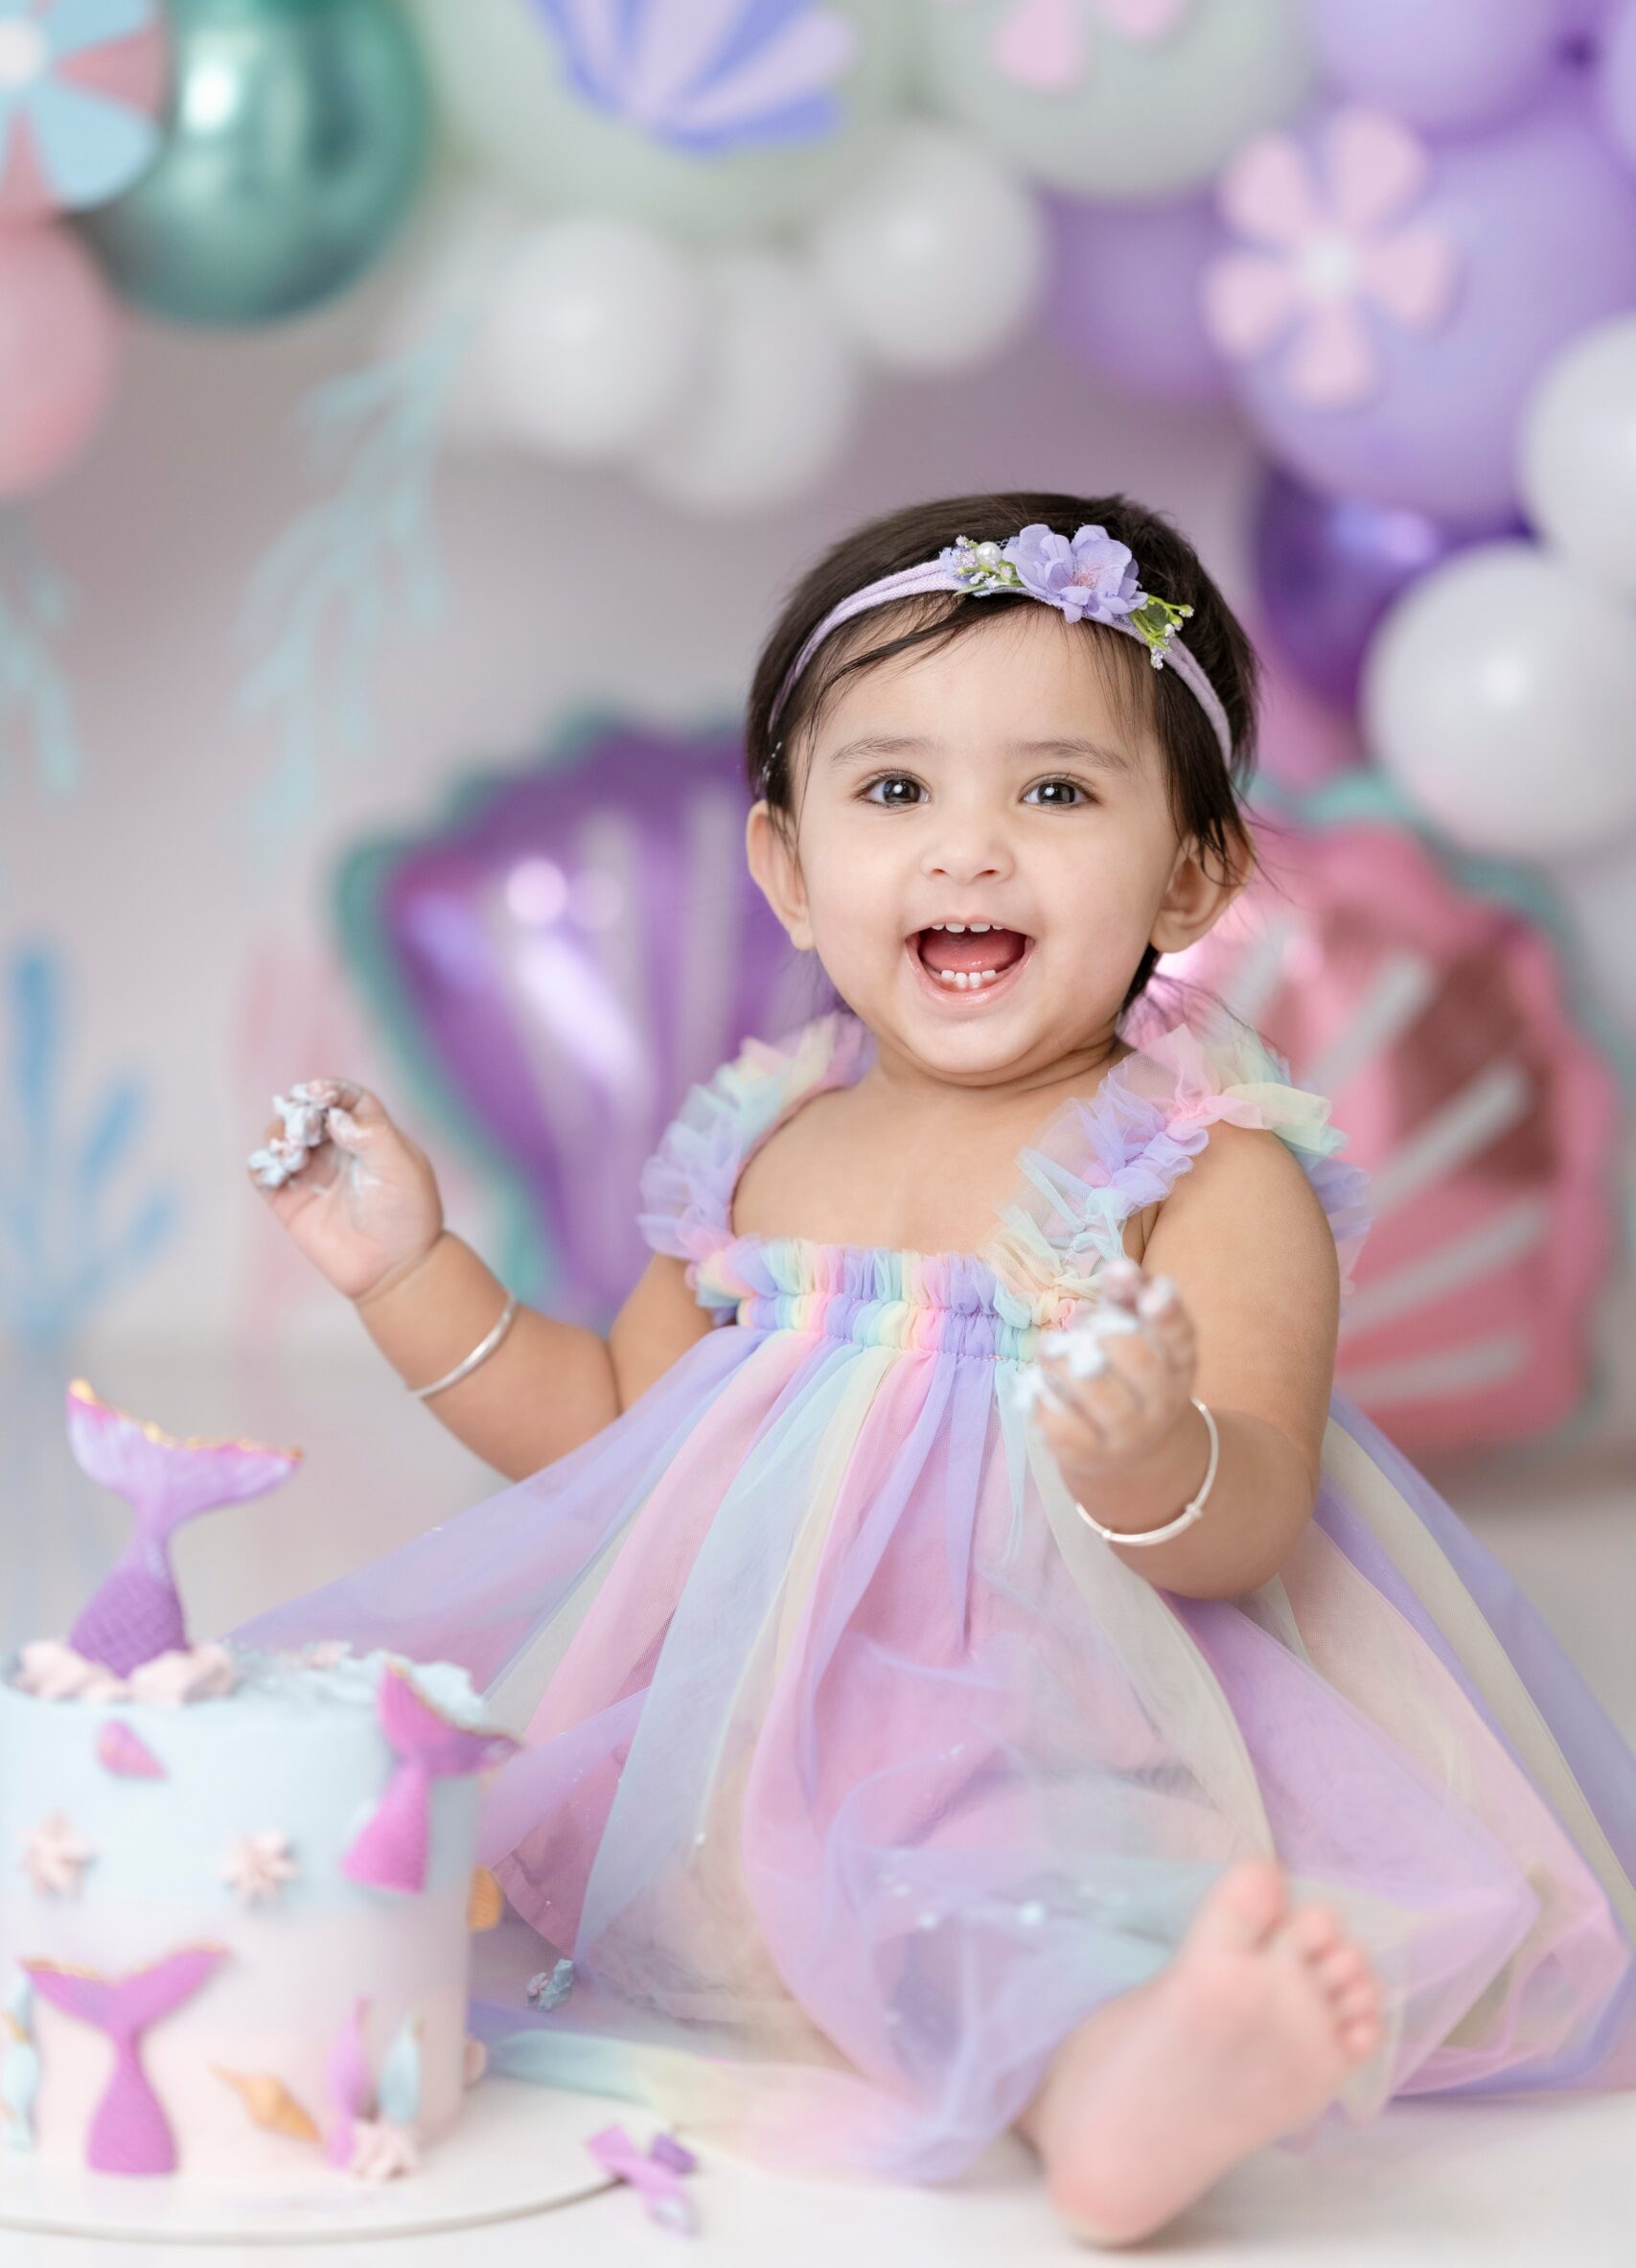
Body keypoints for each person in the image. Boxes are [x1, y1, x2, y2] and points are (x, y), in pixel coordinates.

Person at [242, 493, 1636, 2245]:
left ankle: (1115, 2085)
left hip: (1072, 1725)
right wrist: (411, 1276)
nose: (969, 851)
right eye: (894, 791)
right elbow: (606, 1431)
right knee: (591, 1861)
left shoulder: (1202, 1165)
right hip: (755, 1734)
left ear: (1190, 872)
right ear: (786, 867)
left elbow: (1257, 1508)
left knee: (1006, 1895)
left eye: (1056, 792)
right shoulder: (758, 1146)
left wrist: (1149, 1452)